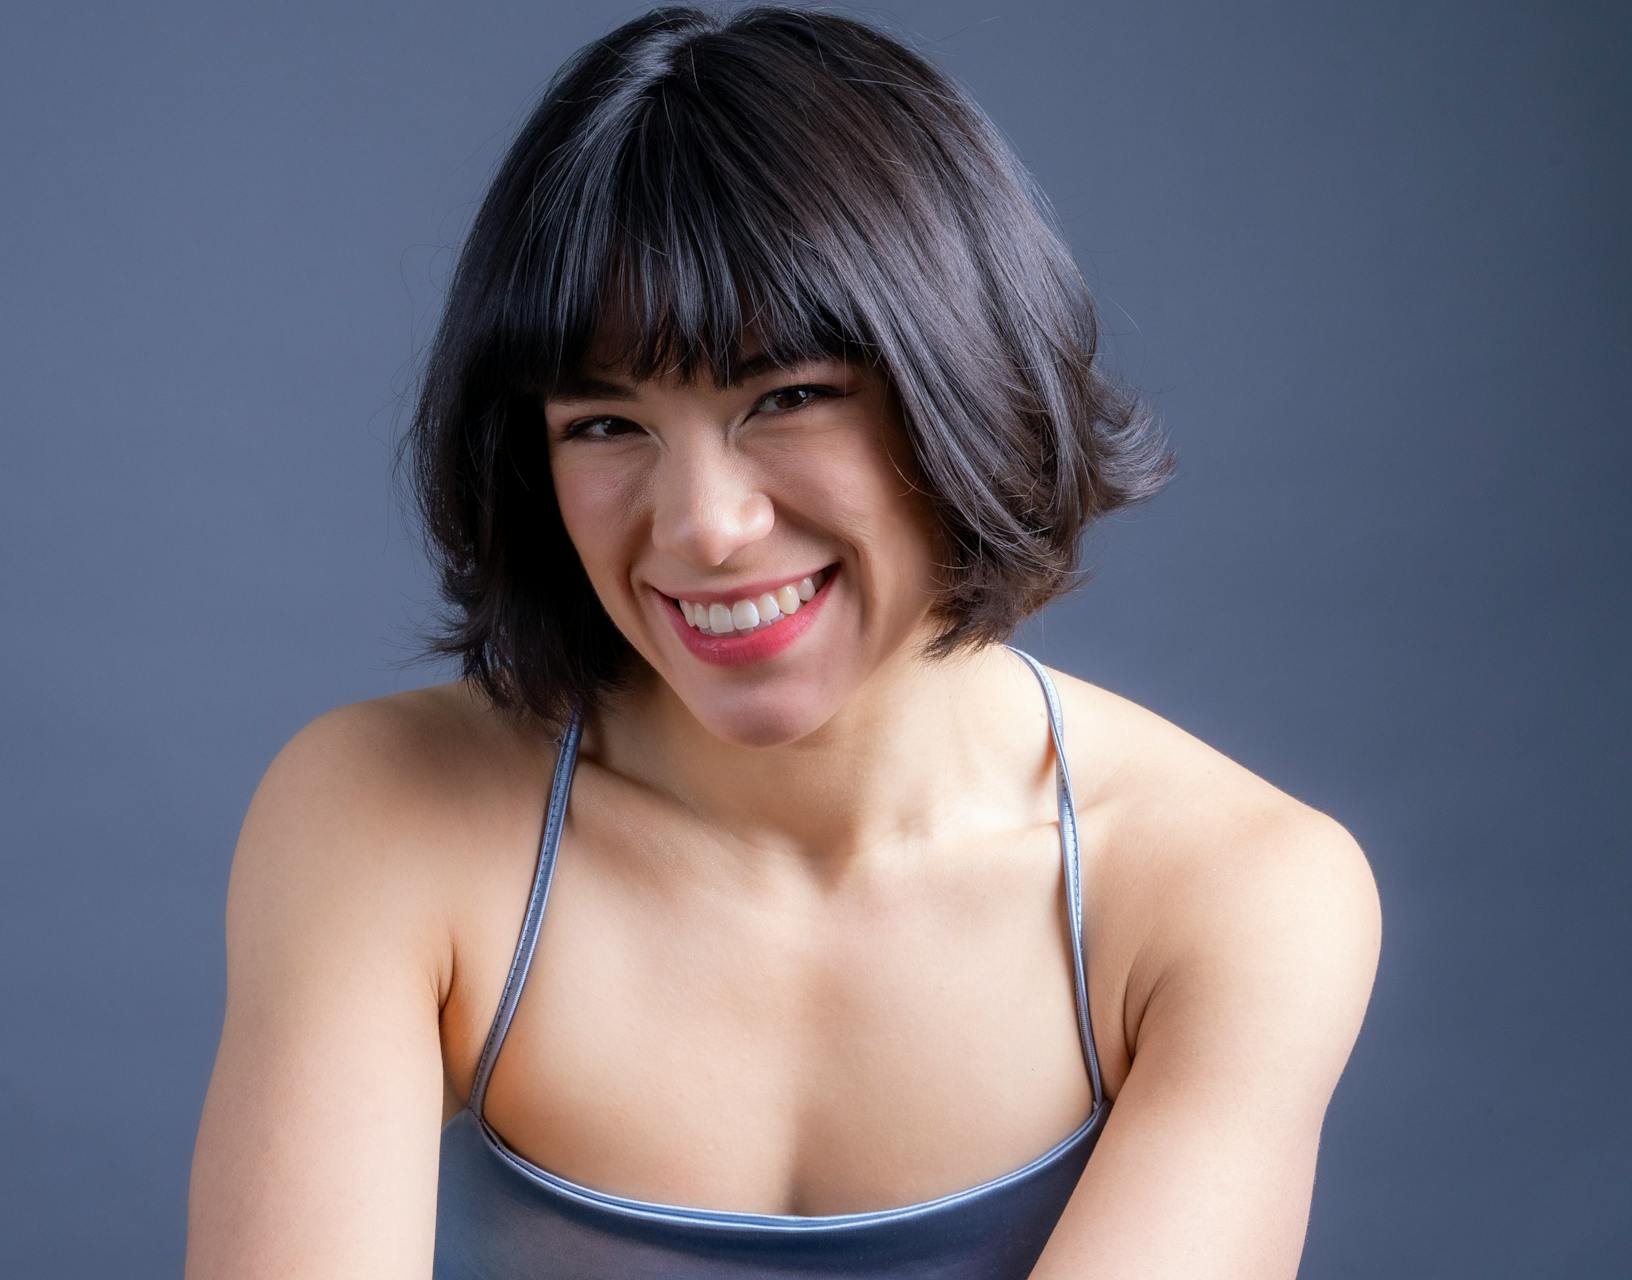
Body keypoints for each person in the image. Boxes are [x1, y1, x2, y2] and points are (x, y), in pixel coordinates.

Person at [185, 5, 1383, 1277]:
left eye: (789, 397)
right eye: (605, 423)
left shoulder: (1235, 892)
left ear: (964, 378)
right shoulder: (383, 814)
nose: (703, 527)